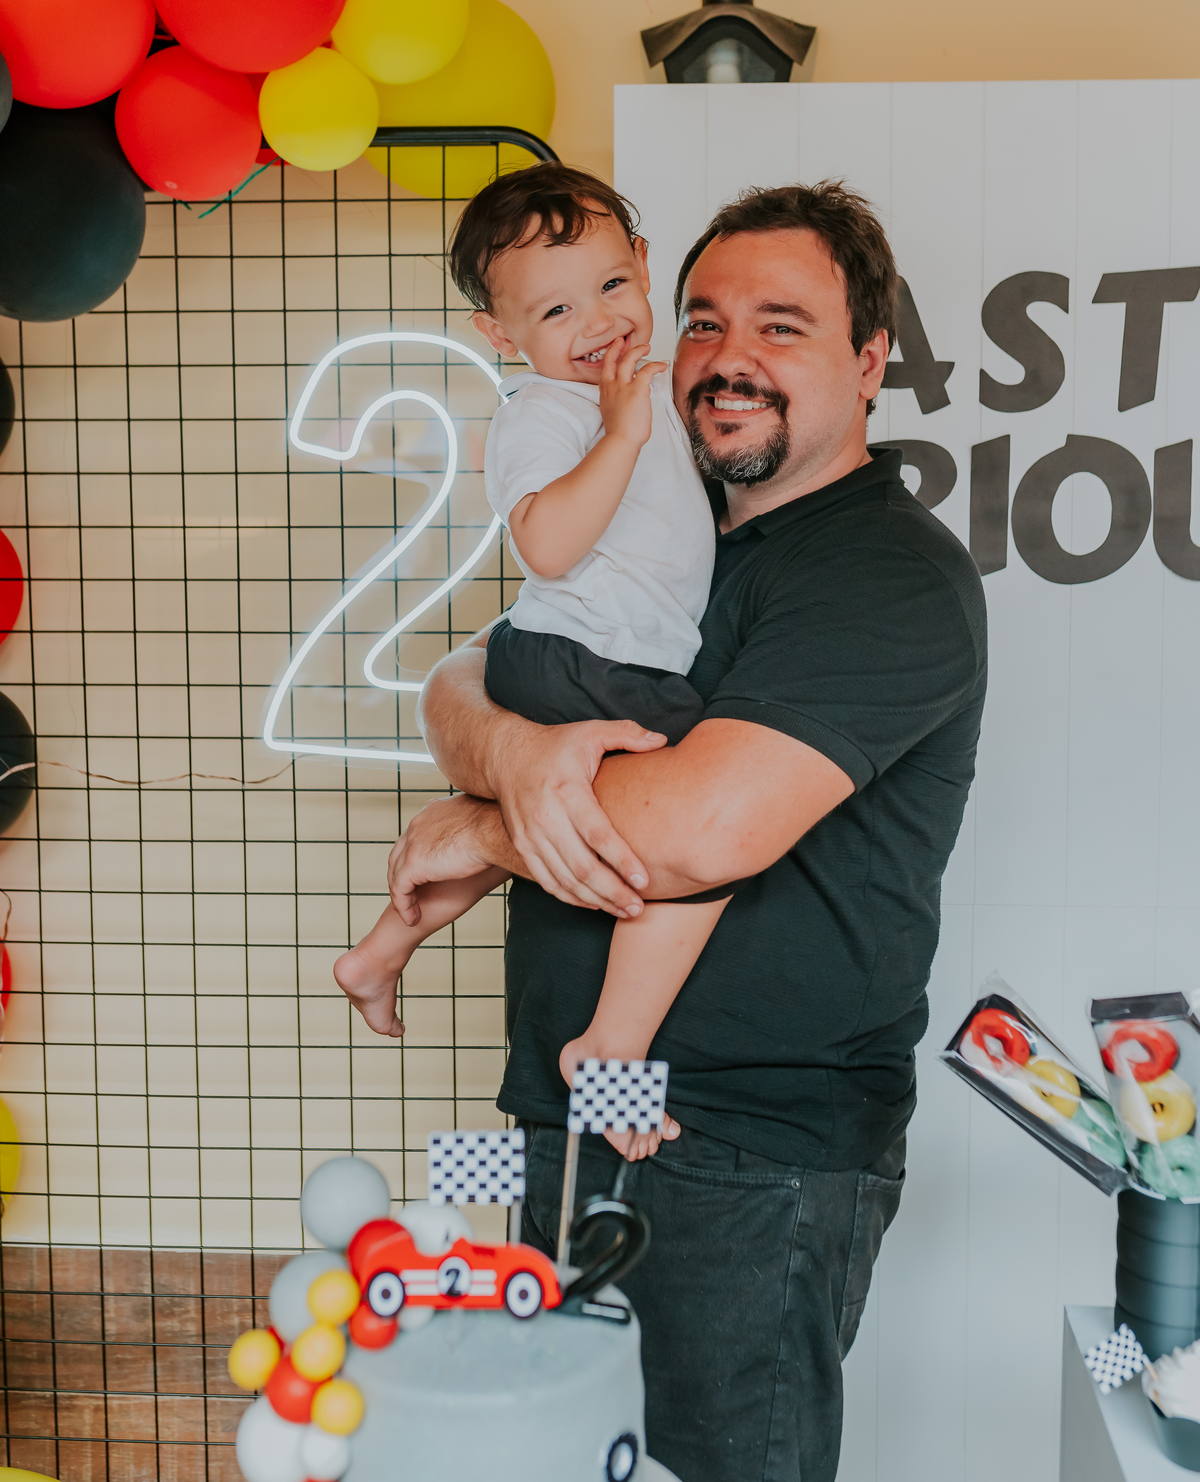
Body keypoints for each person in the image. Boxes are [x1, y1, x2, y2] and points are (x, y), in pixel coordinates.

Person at [389, 180, 988, 1482]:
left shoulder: (883, 575)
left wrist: (485, 825)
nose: (728, 356)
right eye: (705, 318)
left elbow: (696, 831)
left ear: (870, 357)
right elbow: (460, 685)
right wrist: (515, 761)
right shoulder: (675, 538)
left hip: (741, 1160)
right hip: (579, 1113)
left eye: (783, 325)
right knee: (553, 1456)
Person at [335, 165, 738, 1158]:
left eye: (609, 285)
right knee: (706, 848)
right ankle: (611, 1046)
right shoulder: (547, 414)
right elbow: (548, 545)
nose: (596, 321)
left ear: (645, 267)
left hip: (603, 658)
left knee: (549, 821)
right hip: (582, 661)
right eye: (555, 310)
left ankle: (386, 943)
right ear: (503, 336)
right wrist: (620, 432)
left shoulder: (644, 392)